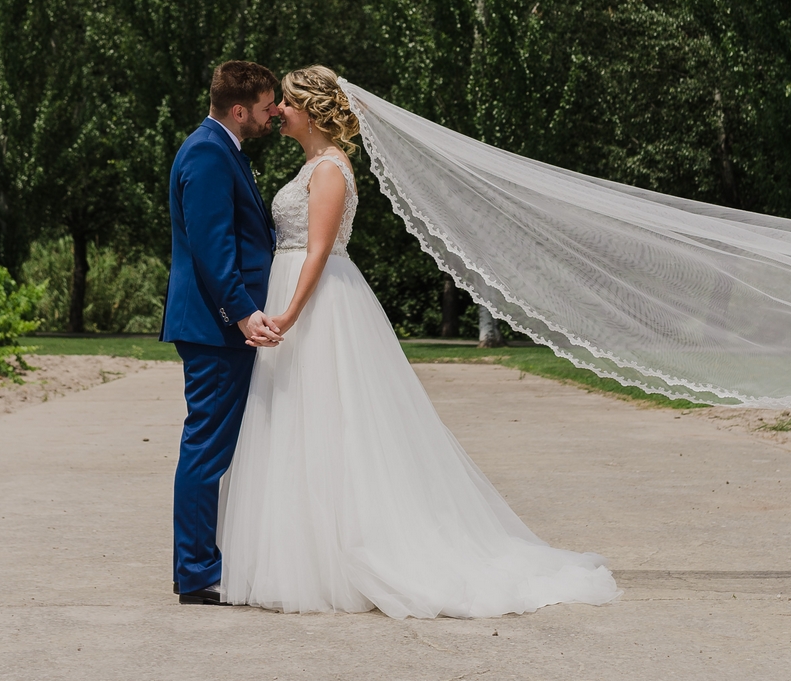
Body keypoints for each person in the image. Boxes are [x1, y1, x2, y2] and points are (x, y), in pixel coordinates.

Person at [215, 65, 620, 618]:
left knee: (335, 422)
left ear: (310, 108)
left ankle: (343, 555)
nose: (278, 110)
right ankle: (300, 552)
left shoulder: (331, 170)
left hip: (317, 302)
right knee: (295, 423)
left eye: (286, 101)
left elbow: (318, 251)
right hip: (295, 295)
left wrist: (285, 313)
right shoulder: (310, 165)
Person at [162, 59, 284, 605]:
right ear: (240, 109)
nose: (272, 114)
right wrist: (241, 313)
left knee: (211, 446)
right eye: (265, 107)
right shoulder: (209, 153)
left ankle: (196, 566)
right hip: (215, 329)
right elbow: (213, 250)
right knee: (206, 448)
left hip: (219, 326)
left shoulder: (221, 148)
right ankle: (195, 575)